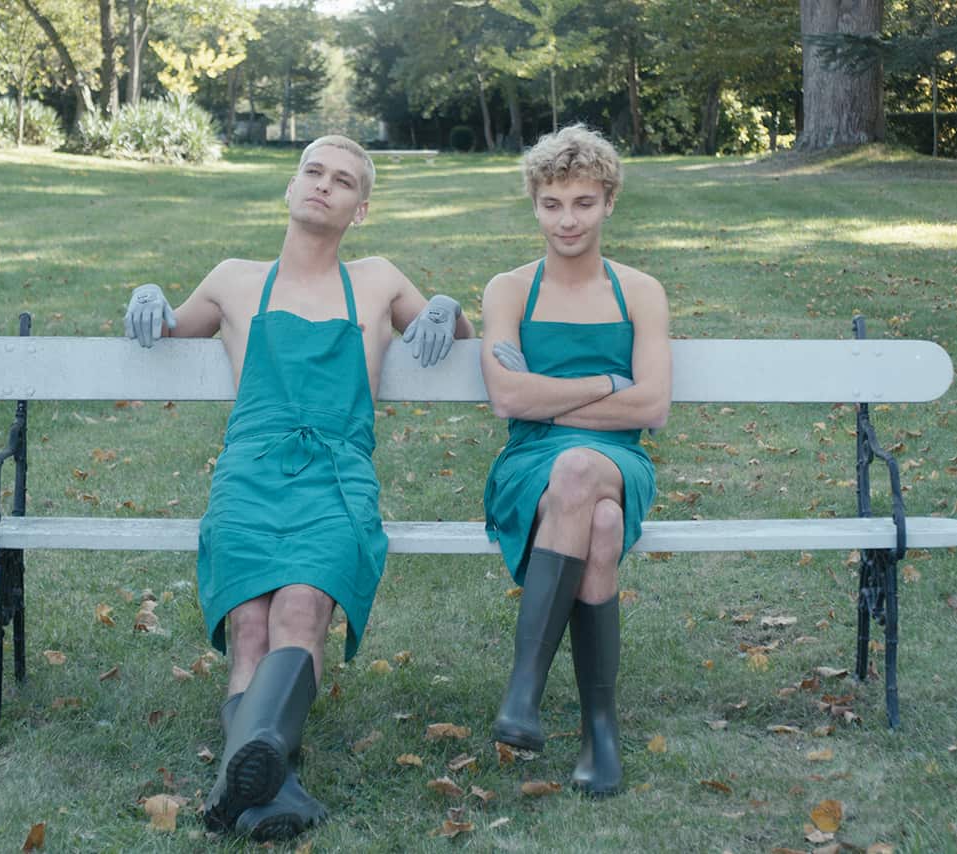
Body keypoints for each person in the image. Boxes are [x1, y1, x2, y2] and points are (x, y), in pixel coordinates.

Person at [123, 135, 475, 840]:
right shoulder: (233, 279)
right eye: (312, 172)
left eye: (342, 181)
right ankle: (264, 775)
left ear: (360, 208)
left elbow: (456, 335)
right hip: (249, 474)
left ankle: (242, 775)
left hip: (338, 477)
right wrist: (149, 296)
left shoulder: (376, 280)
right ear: (289, 188)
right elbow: (167, 327)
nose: (323, 185)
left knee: (303, 607)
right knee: (251, 624)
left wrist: (445, 304)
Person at [480, 125, 671, 796]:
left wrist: (548, 400)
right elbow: (507, 399)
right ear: (534, 203)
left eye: (583, 203)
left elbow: (651, 409)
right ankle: (599, 729)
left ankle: (524, 692)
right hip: (528, 462)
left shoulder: (639, 291)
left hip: (619, 458)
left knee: (584, 472)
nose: (568, 219)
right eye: (553, 203)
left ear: (609, 203)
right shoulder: (509, 289)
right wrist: (604, 385)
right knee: (604, 524)